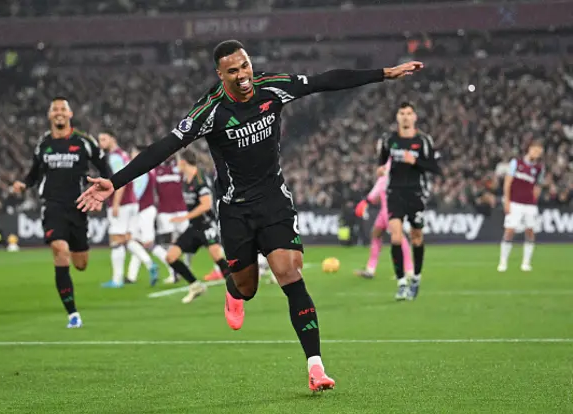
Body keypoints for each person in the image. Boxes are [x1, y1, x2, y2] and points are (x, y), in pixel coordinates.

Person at [77, 40, 423, 391]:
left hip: (274, 200)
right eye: (233, 71)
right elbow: (164, 146)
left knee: (289, 271)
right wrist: (114, 181)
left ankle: (315, 367)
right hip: (236, 210)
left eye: (245, 66)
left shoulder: (272, 86)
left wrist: (384, 74)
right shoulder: (210, 110)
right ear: (220, 74)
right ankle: (233, 289)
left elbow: (324, 80)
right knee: (248, 287)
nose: (243, 76)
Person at [12, 97, 110, 328]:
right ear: (49, 115)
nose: (58, 113)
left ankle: (72, 304)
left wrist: (103, 189)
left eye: (62, 109)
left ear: (70, 114)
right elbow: (35, 173)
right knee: (60, 250)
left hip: (78, 207)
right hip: (52, 206)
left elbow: (105, 169)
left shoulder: (85, 142)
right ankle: (72, 314)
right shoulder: (43, 144)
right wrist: (24, 185)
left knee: (81, 263)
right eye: (54, 109)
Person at [378, 102, 441, 301]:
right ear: (397, 117)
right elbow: (381, 162)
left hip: (416, 193)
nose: (405, 117)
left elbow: (435, 167)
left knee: (416, 237)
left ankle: (416, 278)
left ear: (415, 117)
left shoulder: (423, 141)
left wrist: (416, 161)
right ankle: (401, 283)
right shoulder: (389, 140)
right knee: (396, 237)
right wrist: (380, 170)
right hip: (394, 192)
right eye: (402, 113)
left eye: (409, 113)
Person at [163, 149, 233, 303]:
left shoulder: (200, 179)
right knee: (171, 257)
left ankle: (235, 292)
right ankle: (195, 286)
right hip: (194, 227)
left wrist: (184, 216)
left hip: (207, 225)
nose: (176, 165)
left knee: (217, 256)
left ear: (183, 162)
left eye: (178, 162)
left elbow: (206, 205)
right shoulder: (186, 180)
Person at [98, 133, 156, 287]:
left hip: (122, 203)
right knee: (127, 238)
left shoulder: (114, 157)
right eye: (99, 140)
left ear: (113, 139)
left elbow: (121, 181)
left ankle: (117, 280)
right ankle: (150, 263)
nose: (101, 143)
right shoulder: (124, 155)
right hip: (132, 203)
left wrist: (116, 203)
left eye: (104, 139)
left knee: (116, 241)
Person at [354, 157, 414, 279]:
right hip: (386, 209)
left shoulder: (387, 174)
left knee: (399, 238)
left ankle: (409, 270)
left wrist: (366, 201)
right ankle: (370, 269)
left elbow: (375, 193)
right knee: (376, 234)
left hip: (391, 209)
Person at [498, 141, 544, 272]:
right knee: (509, 230)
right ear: (529, 149)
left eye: (539, 152)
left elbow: (538, 185)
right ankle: (503, 262)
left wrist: (535, 198)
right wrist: (507, 200)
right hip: (515, 202)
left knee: (530, 231)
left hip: (530, 205)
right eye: (535, 150)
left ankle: (526, 262)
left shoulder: (539, 168)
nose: (537, 154)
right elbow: (508, 182)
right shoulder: (516, 163)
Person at [153, 157, 189, 284]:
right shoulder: (156, 170)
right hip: (165, 212)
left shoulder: (180, 168)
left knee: (191, 241)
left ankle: (186, 268)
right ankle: (173, 273)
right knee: (167, 243)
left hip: (181, 210)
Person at [128, 145, 160, 286]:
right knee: (136, 242)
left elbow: (137, 194)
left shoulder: (143, 170)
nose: (131, 154)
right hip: (145, 210)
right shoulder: (149, 168)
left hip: (143, 210)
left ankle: (173, 267)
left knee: (139, 242)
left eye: (133, 152)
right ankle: (131, 276)